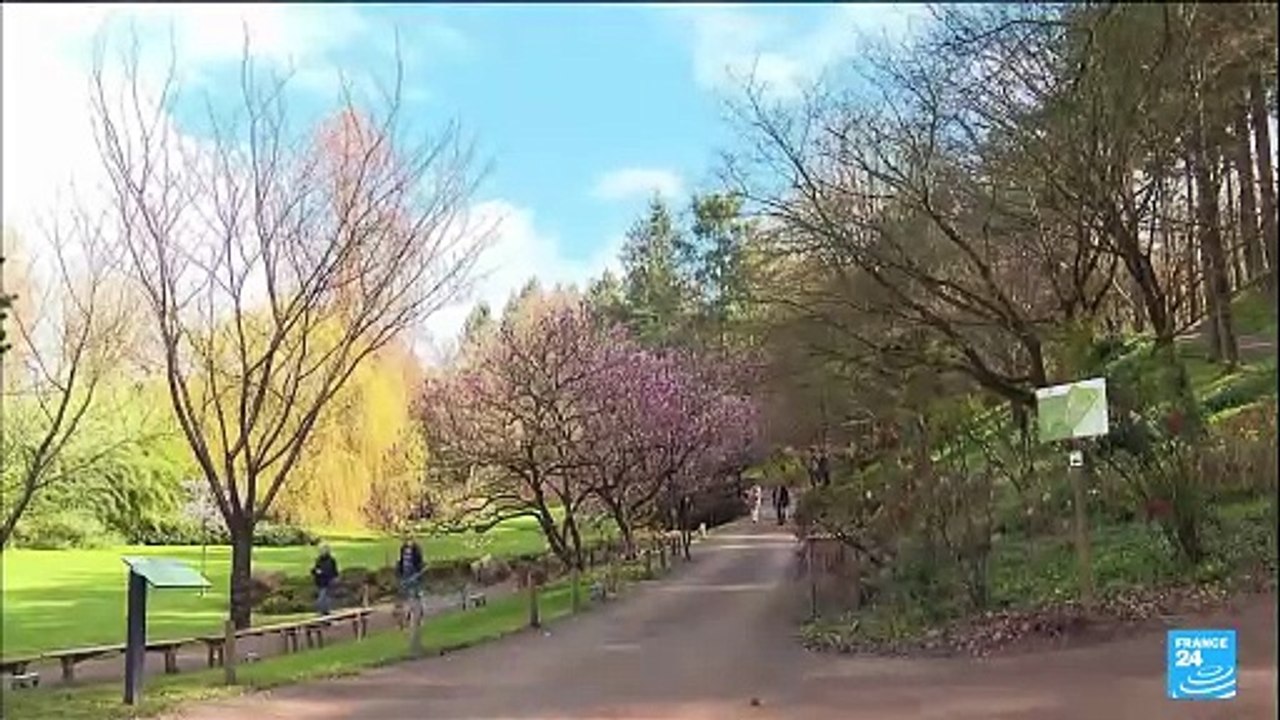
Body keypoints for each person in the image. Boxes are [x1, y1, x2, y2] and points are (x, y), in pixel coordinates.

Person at [395, 535, 426, 620]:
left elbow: (420, 564)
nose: (408, 541)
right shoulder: (403, 549)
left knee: (418, 595)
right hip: (406, 575)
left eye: (410, 540)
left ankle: (421, 610)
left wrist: (417, 575)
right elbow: (401, 562)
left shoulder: (416, 551)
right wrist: (399, 571)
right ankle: (410, 612)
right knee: (409, 594)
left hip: (415, 576)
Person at [310, 544, 338, 615]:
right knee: (323, 597)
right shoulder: (319, 560)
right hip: (320, 582)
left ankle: (324, 611)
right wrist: (315, 571)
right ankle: (324, 611)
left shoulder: (331, 560)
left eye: (323, 550)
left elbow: (332, 571)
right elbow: (315, 569)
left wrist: (334, 578)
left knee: (324, 597)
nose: (322, 552)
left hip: (328, 581)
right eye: (321, 550)